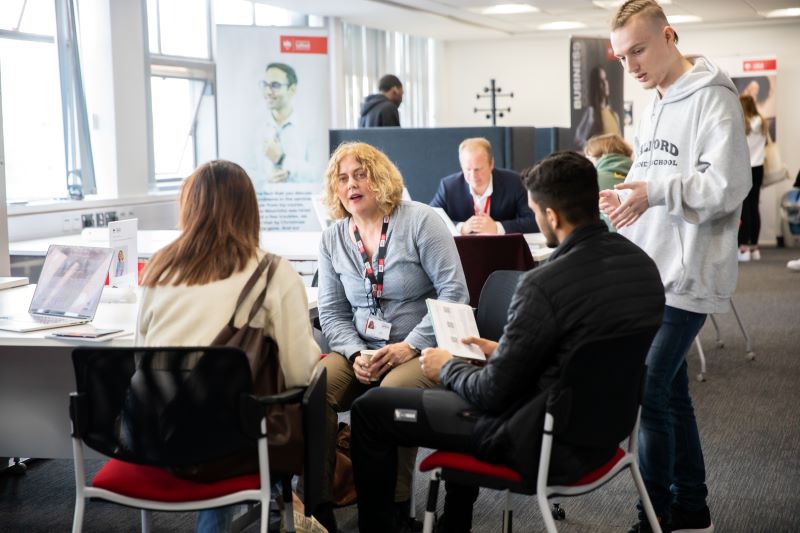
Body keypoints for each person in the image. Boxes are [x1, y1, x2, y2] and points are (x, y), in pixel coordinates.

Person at [350, 151, 666, 533]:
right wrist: (504, 351)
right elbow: (584, 352)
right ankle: (456, 522)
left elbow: (491, 393)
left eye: (534, 210)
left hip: (541, 439)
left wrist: (446, 366)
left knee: (372, 408)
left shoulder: (544, 284)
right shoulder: (643, 267)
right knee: (460, 395)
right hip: (605, 432)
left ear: (552, 216)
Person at [601, 1, 751, 531]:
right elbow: (650, 178)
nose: (631, 66)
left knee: (648, 389)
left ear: (670, 35)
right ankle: (692, 509)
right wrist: (623, 202)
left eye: (638, 50)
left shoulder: (714, 98)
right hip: (651, 270)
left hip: (691, 273)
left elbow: (728, 186)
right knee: (672, 392)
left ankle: (656, 516)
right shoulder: (654, 100)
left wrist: (655, 191)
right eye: (622, 57)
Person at [136, 160, 321, 533]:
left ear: (189, 207)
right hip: (226, 445)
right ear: (249, 209)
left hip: (152, 434)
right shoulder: (272, 273)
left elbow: (141, 356)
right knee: (294, 395)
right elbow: (301, 372)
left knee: (215, 413)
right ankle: (302, 506)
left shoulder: (158, 269)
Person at [315, 142, 469, 531]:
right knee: (314, 391)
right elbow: (332, 312)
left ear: (379, 177)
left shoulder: (420, 221)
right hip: (362, 350)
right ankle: (319, 504)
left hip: (422, 348)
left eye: (359, 174)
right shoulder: (333, 238)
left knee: (389, 397)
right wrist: (353, 353)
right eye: (342, 178)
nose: (351, 185)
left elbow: (454, 294)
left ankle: (393, 511)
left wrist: (409, 346)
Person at [430, 137, 537, 234]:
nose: (473, 176)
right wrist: (461, 227)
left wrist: (497, 227)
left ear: (491, 164)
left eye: (478, 169)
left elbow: (534, 220)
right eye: (467, 169)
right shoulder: (449, 186)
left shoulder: (514, 182)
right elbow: (430, 219)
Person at [258, 62, 317, 184]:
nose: (268, 91)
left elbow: (319, 174)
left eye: (275, 85)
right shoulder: (256, 129)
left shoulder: (309, 128)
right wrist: (265, 180)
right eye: (265, 84)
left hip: (297, 201)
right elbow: (246, 172)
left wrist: (283, 160)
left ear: (292, 90)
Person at [737, 94, 768, 262]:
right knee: (755, 207)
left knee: (744, 209)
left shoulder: (743, 124)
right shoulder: (761, 122)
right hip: (759, 168)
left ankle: (743, 248)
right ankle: (755, 247)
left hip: (744, 168)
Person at [585, 133, 633, 231]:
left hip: (606, 241)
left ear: (601, 155)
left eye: (588, 156)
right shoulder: (638, 174)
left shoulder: (591, 178)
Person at [574, 65, 622, 149]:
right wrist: (596, 149)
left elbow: (620, 143)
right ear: (595, 85)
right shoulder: (591, 113)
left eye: (605, 79)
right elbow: (578, 140)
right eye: (600, 81)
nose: (605, 84)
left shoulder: (614, 114)